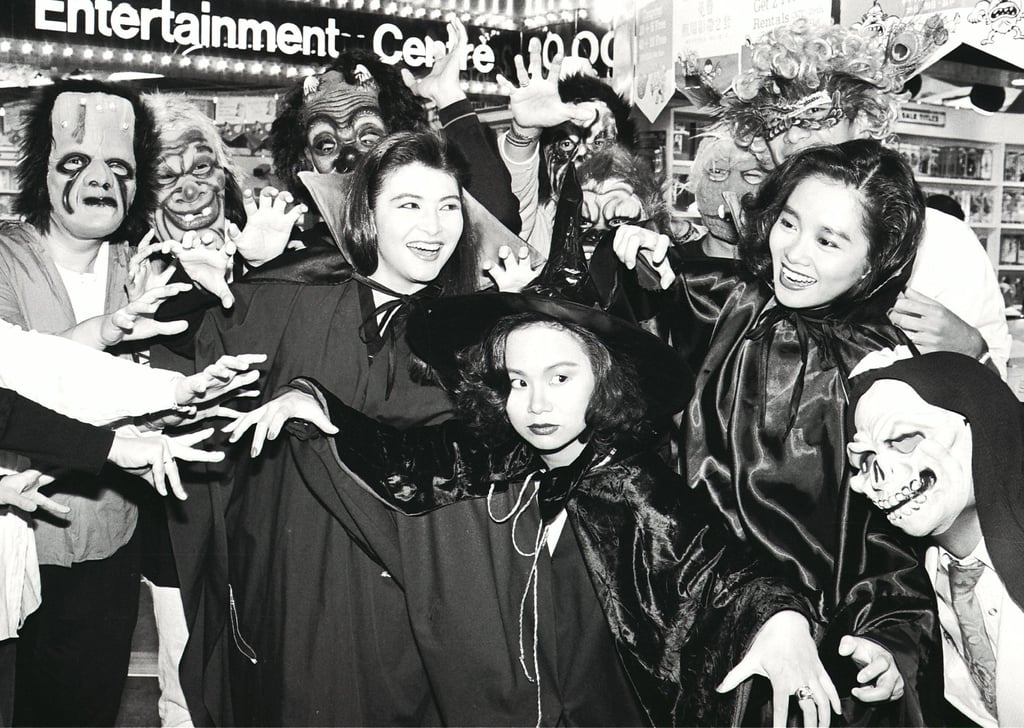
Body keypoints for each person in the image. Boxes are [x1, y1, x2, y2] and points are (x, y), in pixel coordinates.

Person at [226, 265, 844, 727]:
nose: (537, 404)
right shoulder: (501, 459)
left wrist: (781, 621)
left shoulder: (633, 487)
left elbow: (719, 570)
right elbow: (407, 463)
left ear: (605, 382)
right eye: (518, 382)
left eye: (560, 377)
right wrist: (318, 403)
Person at [169, 130, 500, 725]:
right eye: (409, 205)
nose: (433, 227)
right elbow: (195, 384)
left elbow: (471, 463)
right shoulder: (289, 299)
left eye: (448, 206)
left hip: (403, 602)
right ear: (367, 213)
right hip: (291, 587)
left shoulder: (469, 336)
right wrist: (210, 288)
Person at [613, 139, 941, 724]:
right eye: (788, 222)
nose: (793, 251)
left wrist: (891, 644)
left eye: (828, 240)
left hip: (798, 657)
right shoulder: (730, 301)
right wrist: (640, 260)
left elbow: (892, 542)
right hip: (680, 610)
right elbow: (645, 325)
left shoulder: (882, 374)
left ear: (874, 261)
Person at [0, 77, 219, 726]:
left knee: (80, 704)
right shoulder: (7, 259)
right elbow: (16, 387)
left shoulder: (140, 265)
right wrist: (106, 337)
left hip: (104, 535)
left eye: (119, 167)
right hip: (13, 530)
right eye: (76, 162)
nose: (100, 181)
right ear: (42, 168)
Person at [719, 17, 1010, 376]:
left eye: (814, 114)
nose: (793, 137)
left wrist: (972, 350)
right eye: (778, 121)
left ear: (865, 118)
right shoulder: (765, 228)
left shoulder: (943, 242)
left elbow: (994, 401)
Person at [847, 350, 1024, 727]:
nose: (878, 478)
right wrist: (899, 661)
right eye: (864, 460)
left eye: (904, 440)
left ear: (981, 423)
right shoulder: (914, 583)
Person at [496, 44, 635, 256]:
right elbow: (515, 196)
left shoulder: (632, 213)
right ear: (544, 153)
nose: (581, 156)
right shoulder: (534, 222)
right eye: (566, 144)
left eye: (598, 143)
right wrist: (525, 130)